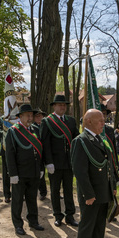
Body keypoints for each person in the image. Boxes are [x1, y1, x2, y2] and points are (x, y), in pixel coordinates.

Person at [71, 109, 117, 238]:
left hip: (104, 190)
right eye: (100, 121)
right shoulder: (81, 141)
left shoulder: (100, 139)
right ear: (88, 121)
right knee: (88, 225)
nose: (103, 124)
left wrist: (113, 187)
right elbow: (80, 171)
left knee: (99, 226)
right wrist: (88, 194)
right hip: (91, 193)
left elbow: (109, 165)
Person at [40, 94, 80, 227]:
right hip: (54, 163)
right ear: (54, 106)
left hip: (69, 163)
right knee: (55, 191)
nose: (62, 107)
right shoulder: (47, 121)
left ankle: (70, 215)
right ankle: (58, 215)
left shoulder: (71, 121)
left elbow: (76, 139)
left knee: (68, 190)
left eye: (64, 105)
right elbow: (45, 143)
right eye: (60, 105)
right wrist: (48, 162)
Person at [5, 104, 45, 235]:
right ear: (20, 117)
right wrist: (13, 173)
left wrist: (40, 168)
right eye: (27, 115)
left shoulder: (35, 130)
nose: (30, 117)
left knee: (32, 198)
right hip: (20, 173)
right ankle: (18, 224)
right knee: (17, 200)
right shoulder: (13, 131)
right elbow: (10, 154)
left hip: (33, 171)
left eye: (31, 115)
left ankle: (33, 221)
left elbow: (39, 151)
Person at [34, 109, 48, 200]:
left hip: (46, 152)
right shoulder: (32, 127)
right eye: (37, 116)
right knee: (39, 172)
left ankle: (47, 191)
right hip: (37, 153)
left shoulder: (46, 126)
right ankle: (42, 192)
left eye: (41, 116)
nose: (39, 118)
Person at [0, 116, 11, 203]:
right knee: (6, 173)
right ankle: (7, 194)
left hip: (17, 149)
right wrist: (8, 132)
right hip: (5, 148)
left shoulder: (17, 118)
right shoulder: (1, 119)